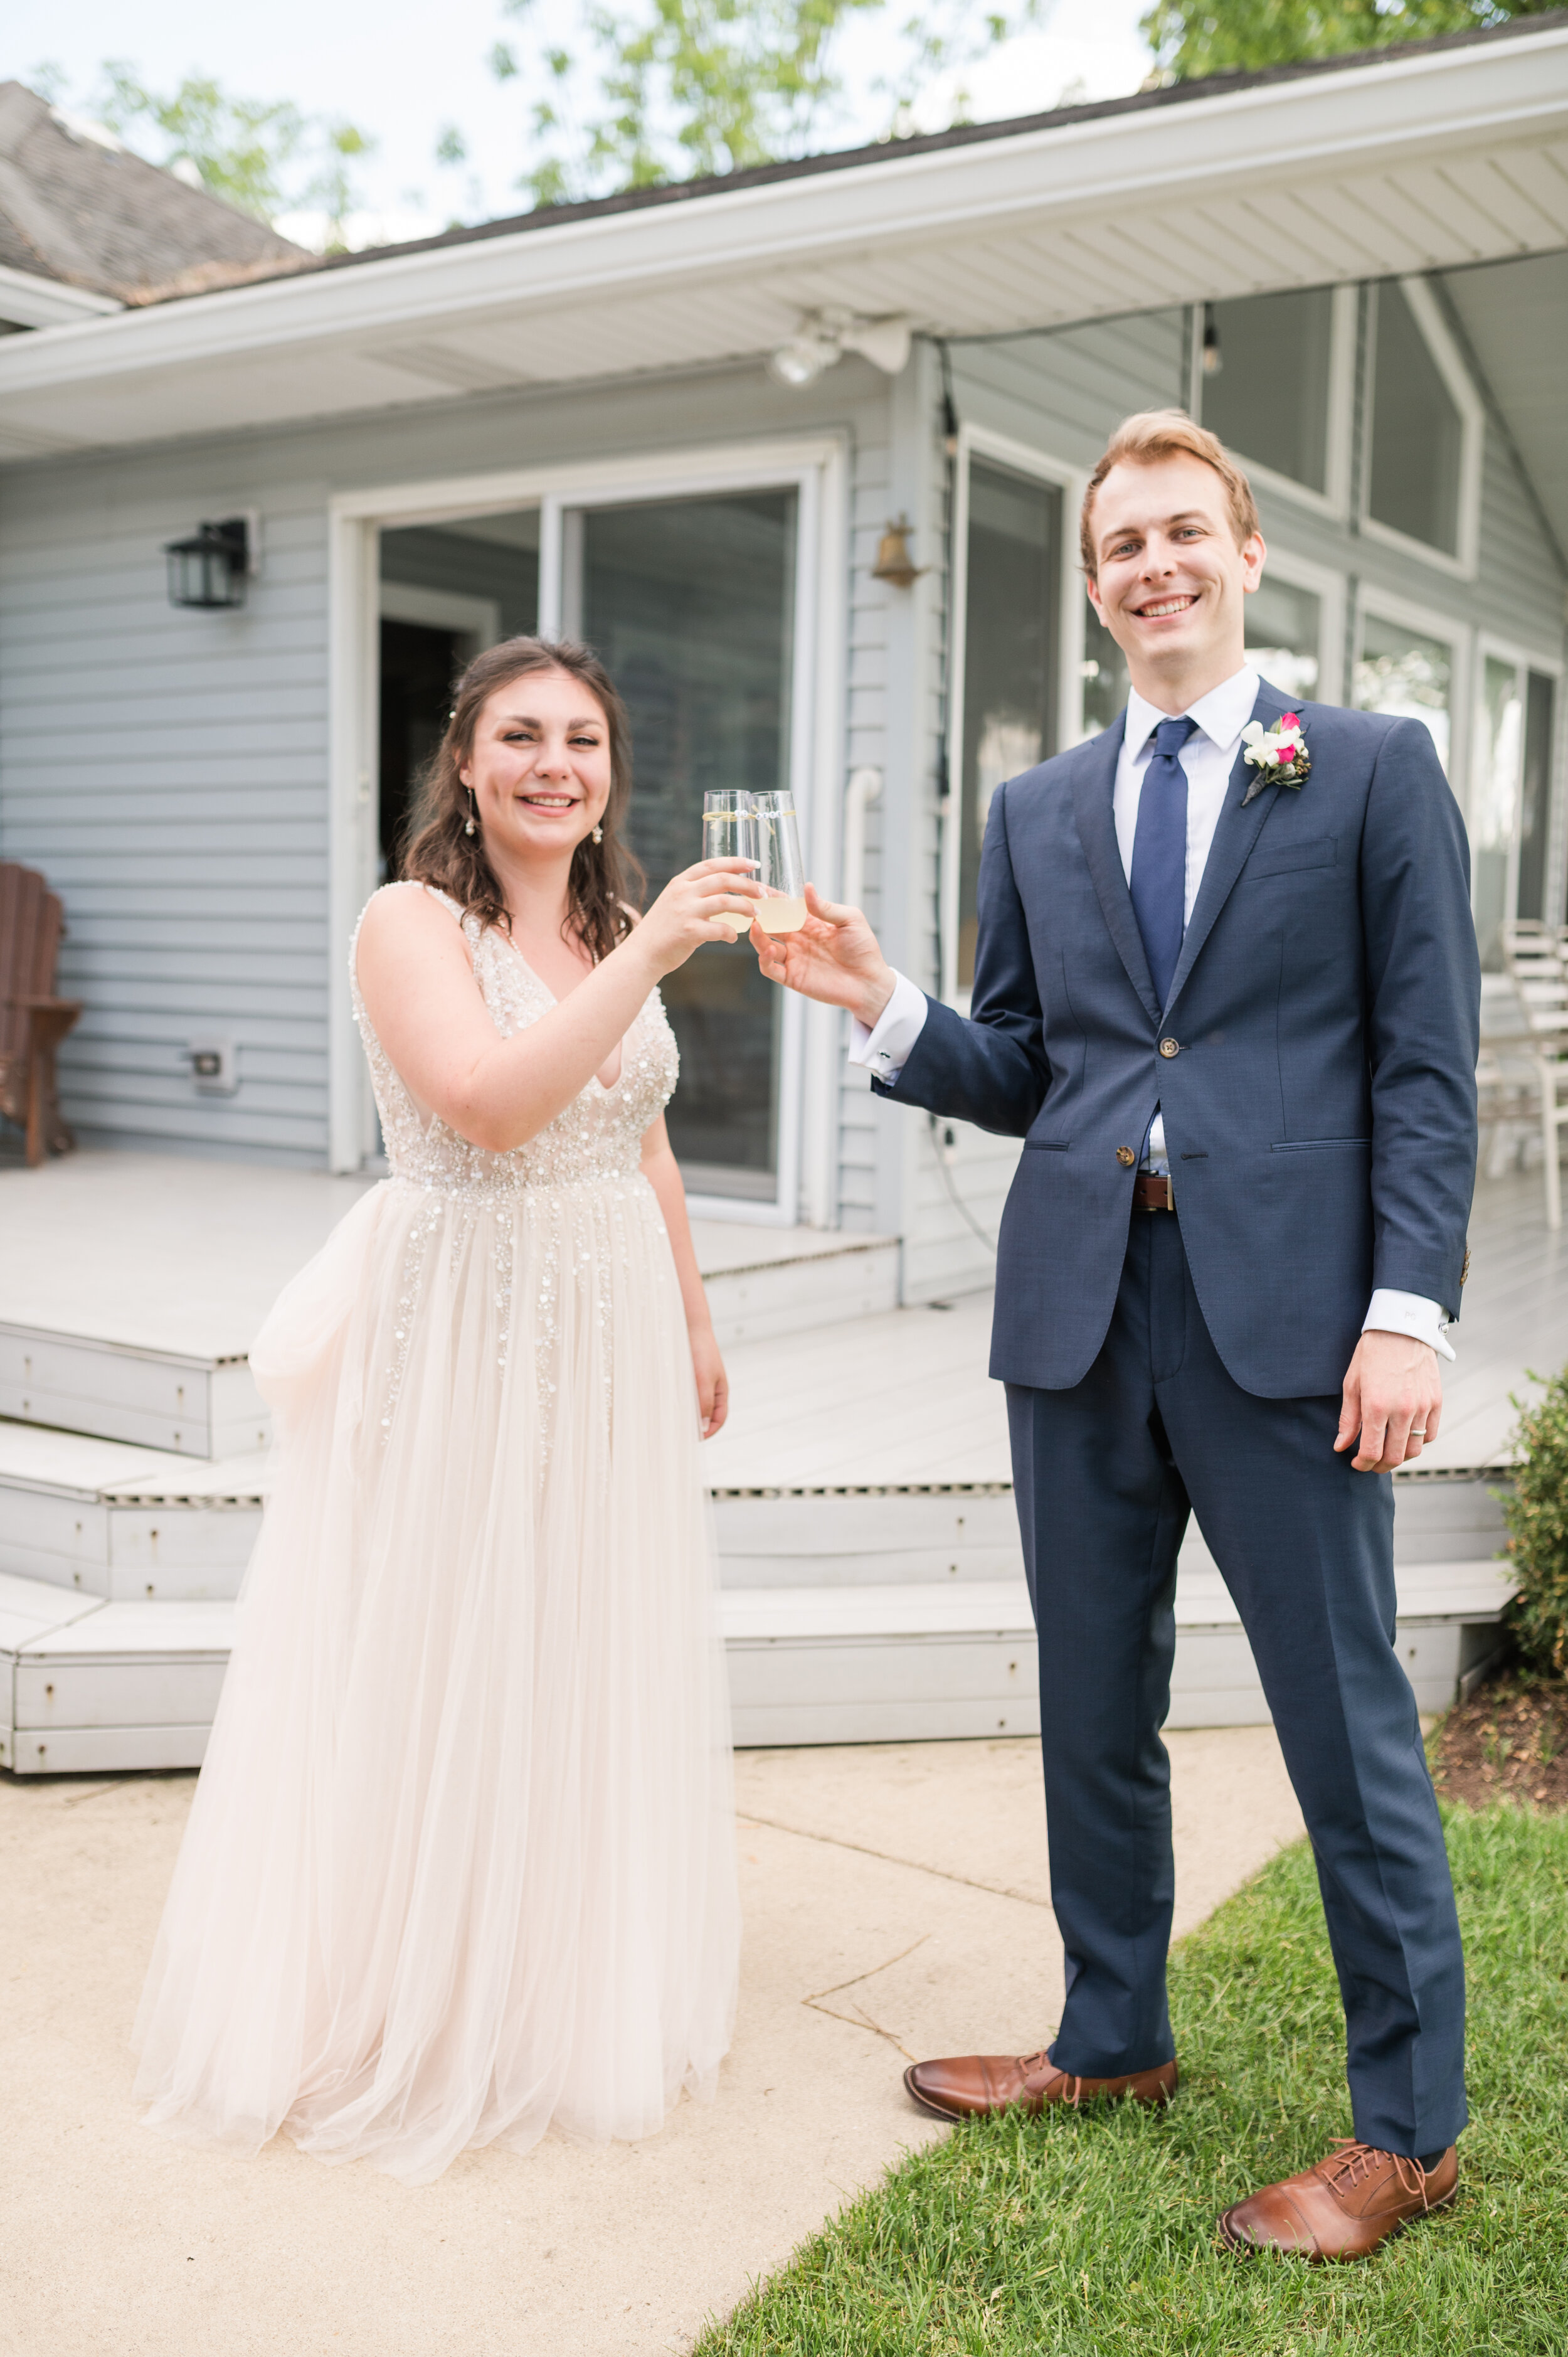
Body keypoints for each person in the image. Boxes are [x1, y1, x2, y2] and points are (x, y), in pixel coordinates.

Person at [753, 412, 1480, 2262]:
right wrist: (884, 1000)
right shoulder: (1039, 809)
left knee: (1343, 1723)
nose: (1150, 566)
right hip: (1078, 1310)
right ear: (1093, 590)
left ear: (1243, 554)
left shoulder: (1373, 769)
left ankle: (1404, 2125)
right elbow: (1032, 1066)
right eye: (1119, 547)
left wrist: (1404, 1313)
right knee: (1093, 1702)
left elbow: (1422, 1066)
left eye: (1181, 533)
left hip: (1294, 1324)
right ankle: (1111, 2034)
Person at [134, 637, 760, 2184]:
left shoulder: (612, 919)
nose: (558, 764)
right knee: (442, 1630)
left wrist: (690, 1307)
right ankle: (409, 1986)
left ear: (611, 770)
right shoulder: (408, 921)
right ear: (465, 766)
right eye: (523, 737)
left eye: (586, 740)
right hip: (466, 1310)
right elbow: (489, 1101)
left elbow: (644, 1134)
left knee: (576, 1632)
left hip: (609, 1310)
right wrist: (656, 956)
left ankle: (555, 1981)